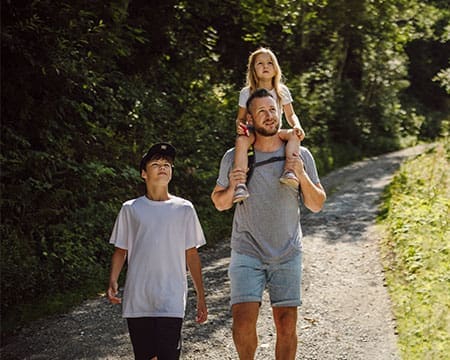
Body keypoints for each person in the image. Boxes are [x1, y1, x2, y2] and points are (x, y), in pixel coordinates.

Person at [211, 89, 326, 359]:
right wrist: (235, 184)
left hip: (287, 253)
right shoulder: (235, 157)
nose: (269, 115)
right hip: (246, 251)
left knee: (286, 324)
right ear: (250, 119)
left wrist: (299, 173)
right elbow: (219, 202)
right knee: (242, 321)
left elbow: (317, 203)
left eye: (273, 109)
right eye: (261, 111)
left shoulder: (299, 155)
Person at [107, 142, 208, 360]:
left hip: (171, 299)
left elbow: (191, 254)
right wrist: (113, 280)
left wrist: (201, 296)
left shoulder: (184, 208)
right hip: (138, 299)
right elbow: (120, 249)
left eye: (167, 164)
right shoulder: (130, 209)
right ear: (144, 173)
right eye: (155, 163)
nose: (163, 166)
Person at [233, 47, 306, 203]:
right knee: (241, 141)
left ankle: (289, 171)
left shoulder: (282, 90)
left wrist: (297, 126)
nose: (265, 66)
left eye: (269, 63)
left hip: (275, 131)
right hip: (254, 132)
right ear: (253, 69)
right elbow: (240, 118)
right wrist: (241, 126)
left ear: (275, 68)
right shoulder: (247, 92)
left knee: (294, 136)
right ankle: (240, 184)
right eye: (260, 63)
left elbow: (290, 114)